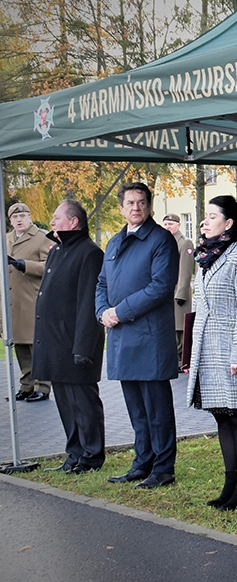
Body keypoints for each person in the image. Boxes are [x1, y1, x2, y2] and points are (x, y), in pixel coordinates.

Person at [96, 182, 180, 490]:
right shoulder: (115, 242)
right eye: (130, 202)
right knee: (136, 408)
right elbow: (102, 283)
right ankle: (141, 462)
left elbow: (160, 287)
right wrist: (102, 311)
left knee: (157, 409)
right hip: (122, 336)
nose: (135, 207)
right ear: (121, 208)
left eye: (141, 202)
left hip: (149, 337)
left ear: (149, 205)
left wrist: (119, 311)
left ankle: (163, 467)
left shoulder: (161, 240)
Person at [186, 195, 237, 511]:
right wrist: (190, 354)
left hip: (231, 349)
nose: (205, 221)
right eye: (205, 216)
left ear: (229, 223)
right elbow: (199, 309)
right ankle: (231, 483)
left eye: (212, 216)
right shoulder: (207, 257)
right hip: (208, 349)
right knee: (221, 416)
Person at [33, 200, 106, 474]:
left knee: (83, 403)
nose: (51, 222)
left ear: (73, 222)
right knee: (65, 402)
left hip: (75, 343)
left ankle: (91, 456)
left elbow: (89, 302)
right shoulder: (57, 251)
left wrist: (83, 346)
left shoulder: (89, 253)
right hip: (55, 342)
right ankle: (74, 454)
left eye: (56, 218)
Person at [6, 202, 51, 402]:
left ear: (30, 217)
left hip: (32, 299)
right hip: (13, 300)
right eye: (15, 217)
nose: (19, 220)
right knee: (21, 345)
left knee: (36, 345)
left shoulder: (41, 237)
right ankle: (27, 384)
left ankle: (42, 386)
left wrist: (25, 265)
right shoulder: (5, 238)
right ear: (10, 221)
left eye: (23, 216)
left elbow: (49, 266)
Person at [162, 213, 194, 367]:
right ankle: (174, 358)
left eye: (171, 224)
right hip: (166, 292)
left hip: (178, 291)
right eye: (166, 225)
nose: (168, 227)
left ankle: (182, 360)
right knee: (171, 327)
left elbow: (186, 270)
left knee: (181, 327)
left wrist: (180, 292)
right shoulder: (164, 242)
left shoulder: (184, 243)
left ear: (178, 225)